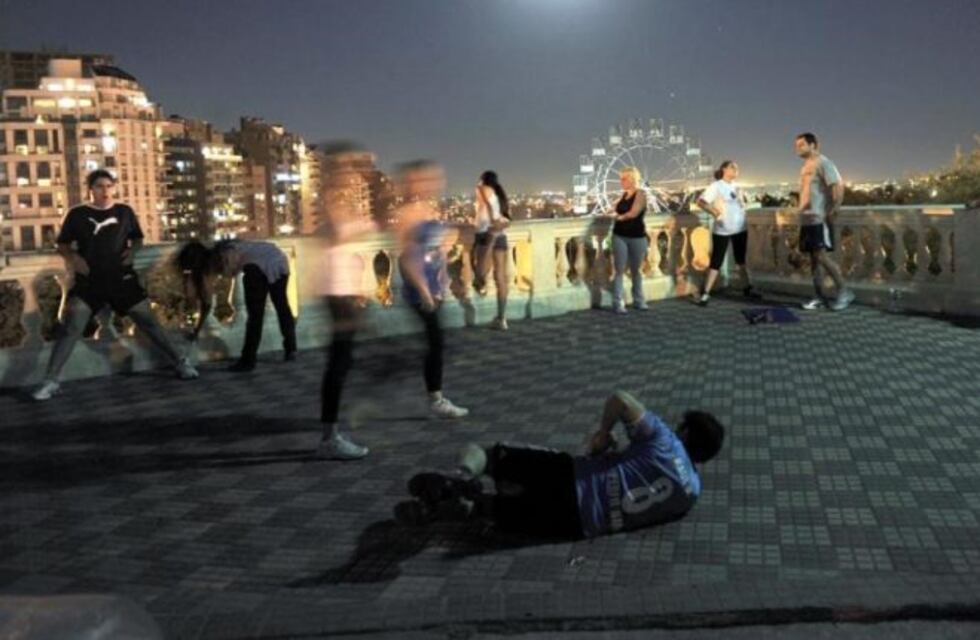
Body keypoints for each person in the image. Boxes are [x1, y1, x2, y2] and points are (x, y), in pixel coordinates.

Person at [398, 390, 724, 539]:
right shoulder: (691, 493)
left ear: (685, 432)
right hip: (576, 525)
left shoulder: (665, 441)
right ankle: (451, 509)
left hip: (572, 478)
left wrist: (603, 434)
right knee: (491, 510)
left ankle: (461, 476)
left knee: (490, 455)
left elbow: (621, 400)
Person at [32, 170, 198, 400]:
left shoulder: (124, 212)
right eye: (100, 186)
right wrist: (74, 258)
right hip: (89, 282)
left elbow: (137, 238)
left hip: (122, 279)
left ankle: (180, 363)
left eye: (109, 186)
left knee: (150, 323)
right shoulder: (77, 214)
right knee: (71, 328)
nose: (105, 190)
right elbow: (62, 244)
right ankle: (50, 381)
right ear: (90, 189)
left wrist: (133, 251)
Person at [315, 145, 379, 460]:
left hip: (344, 291)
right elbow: (339, 235)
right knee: (338, 365)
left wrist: (359, 285)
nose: (351, 172)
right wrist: (366, 224)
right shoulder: (331, 199)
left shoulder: (339, 199)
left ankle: (332, 430)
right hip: (335, 293)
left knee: (343, 362)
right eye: (345, 165)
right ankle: (330, 437)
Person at [395, 160, 469, 419]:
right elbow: (408, 258)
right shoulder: (409, 214)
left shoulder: (428, 209)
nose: (434, 183)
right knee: (435, 343)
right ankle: (435, 400)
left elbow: (437, 247)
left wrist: (445, 272)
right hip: (420, 290)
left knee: (435, 343)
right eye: (426, 178)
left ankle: (435, 397)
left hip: (433, 287)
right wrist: (424, 291)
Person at [177, 238, 296, 372]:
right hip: (278, 259)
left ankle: (248, 361)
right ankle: (291, 349)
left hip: (257, 265)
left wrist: (197, 330)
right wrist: (198, 329)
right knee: (281, 306)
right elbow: (207, 302)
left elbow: (207, 302)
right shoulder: (223, 251)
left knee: (255, 316)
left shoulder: (220, 260)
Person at [794, 132, 854, 311]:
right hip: (807, 219)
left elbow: (837, 186)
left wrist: (834, 209)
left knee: (821, 256)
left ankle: (844, 291)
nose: (798, 148)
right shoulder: (806, 166)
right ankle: (819, 295)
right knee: (814, 260)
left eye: (801, 145)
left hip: (818, 218)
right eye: (796, 145)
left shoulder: (823, 163)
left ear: (813, 145)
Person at [695, 160, 761, 306]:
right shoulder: (716, 186)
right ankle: (705, 293)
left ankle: (747, 288)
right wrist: (714, 212)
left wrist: (741, 201)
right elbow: (701, 202)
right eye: (732, 167)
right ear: (724, 169)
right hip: (722, 230)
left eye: (737, 167)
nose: (736, 169)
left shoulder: (737, 187)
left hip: (740, 228)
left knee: (741, 260)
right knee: (716, 261)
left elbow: (741, 205)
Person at [471, 170, 511, 330]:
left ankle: (480, 286)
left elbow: (486, 202)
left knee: (480, 270)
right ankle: (502, 318)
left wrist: (493, 220)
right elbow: (505, 213)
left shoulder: (482, 188)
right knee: (500, 277)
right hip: (499, 231)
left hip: (485, 231)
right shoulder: (500, 193)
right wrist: (498, 222)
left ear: (483, 179)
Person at [606, 167, 648, 314]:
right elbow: (611, 209)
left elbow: (634, 212)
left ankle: (639, 300)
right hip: (619, 235)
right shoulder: (623, 196)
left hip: (637, 236)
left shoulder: (640, 194)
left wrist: (619, 217)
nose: (621, 181)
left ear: (632, 179)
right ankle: (618, 303)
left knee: (636, 270)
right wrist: (611, 213)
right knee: (619, 270)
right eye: (620, 178)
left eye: (624, 178)